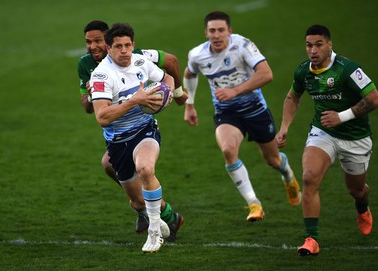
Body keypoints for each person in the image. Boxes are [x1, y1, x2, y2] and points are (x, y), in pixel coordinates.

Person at [183, 11, 301, 222]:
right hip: (226, 113)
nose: (217, 35)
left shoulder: (243, 45)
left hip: (255, 110)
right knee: (228, 150)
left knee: (272, 160)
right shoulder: (197, 54)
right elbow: (189, 74)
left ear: (230, 31)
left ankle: (287, 175)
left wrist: (235, 91)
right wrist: (189, 105)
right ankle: (254, 203)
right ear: (206, 33)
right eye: (212, 31)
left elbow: (266, 74)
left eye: (221, 30)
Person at [276, 24, 378, 256]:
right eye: (309, 45)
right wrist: (284, 127)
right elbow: (293, 97)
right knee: (309, 177)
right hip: (323, 132)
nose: (313, 50)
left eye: (319, 45)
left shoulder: (347, 69)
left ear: (330, 45)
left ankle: (362, 207)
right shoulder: (304, 71)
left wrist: (341, 117)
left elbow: (373, 98)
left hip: (355, 138)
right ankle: (312, 239)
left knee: (356, 189)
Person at [77, 20, 187, 234]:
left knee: (144, 169)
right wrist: (93, 94)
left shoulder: (135, 55)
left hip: (142, 129)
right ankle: (149, 210)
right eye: (88, 42)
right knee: (109, 167)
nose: (93, 47)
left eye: (98, 40)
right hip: (116, 135)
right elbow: (90, 110)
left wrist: (176, 95)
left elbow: (171, 62)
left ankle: (157, 223)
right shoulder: (86, 65)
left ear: (107, 41)